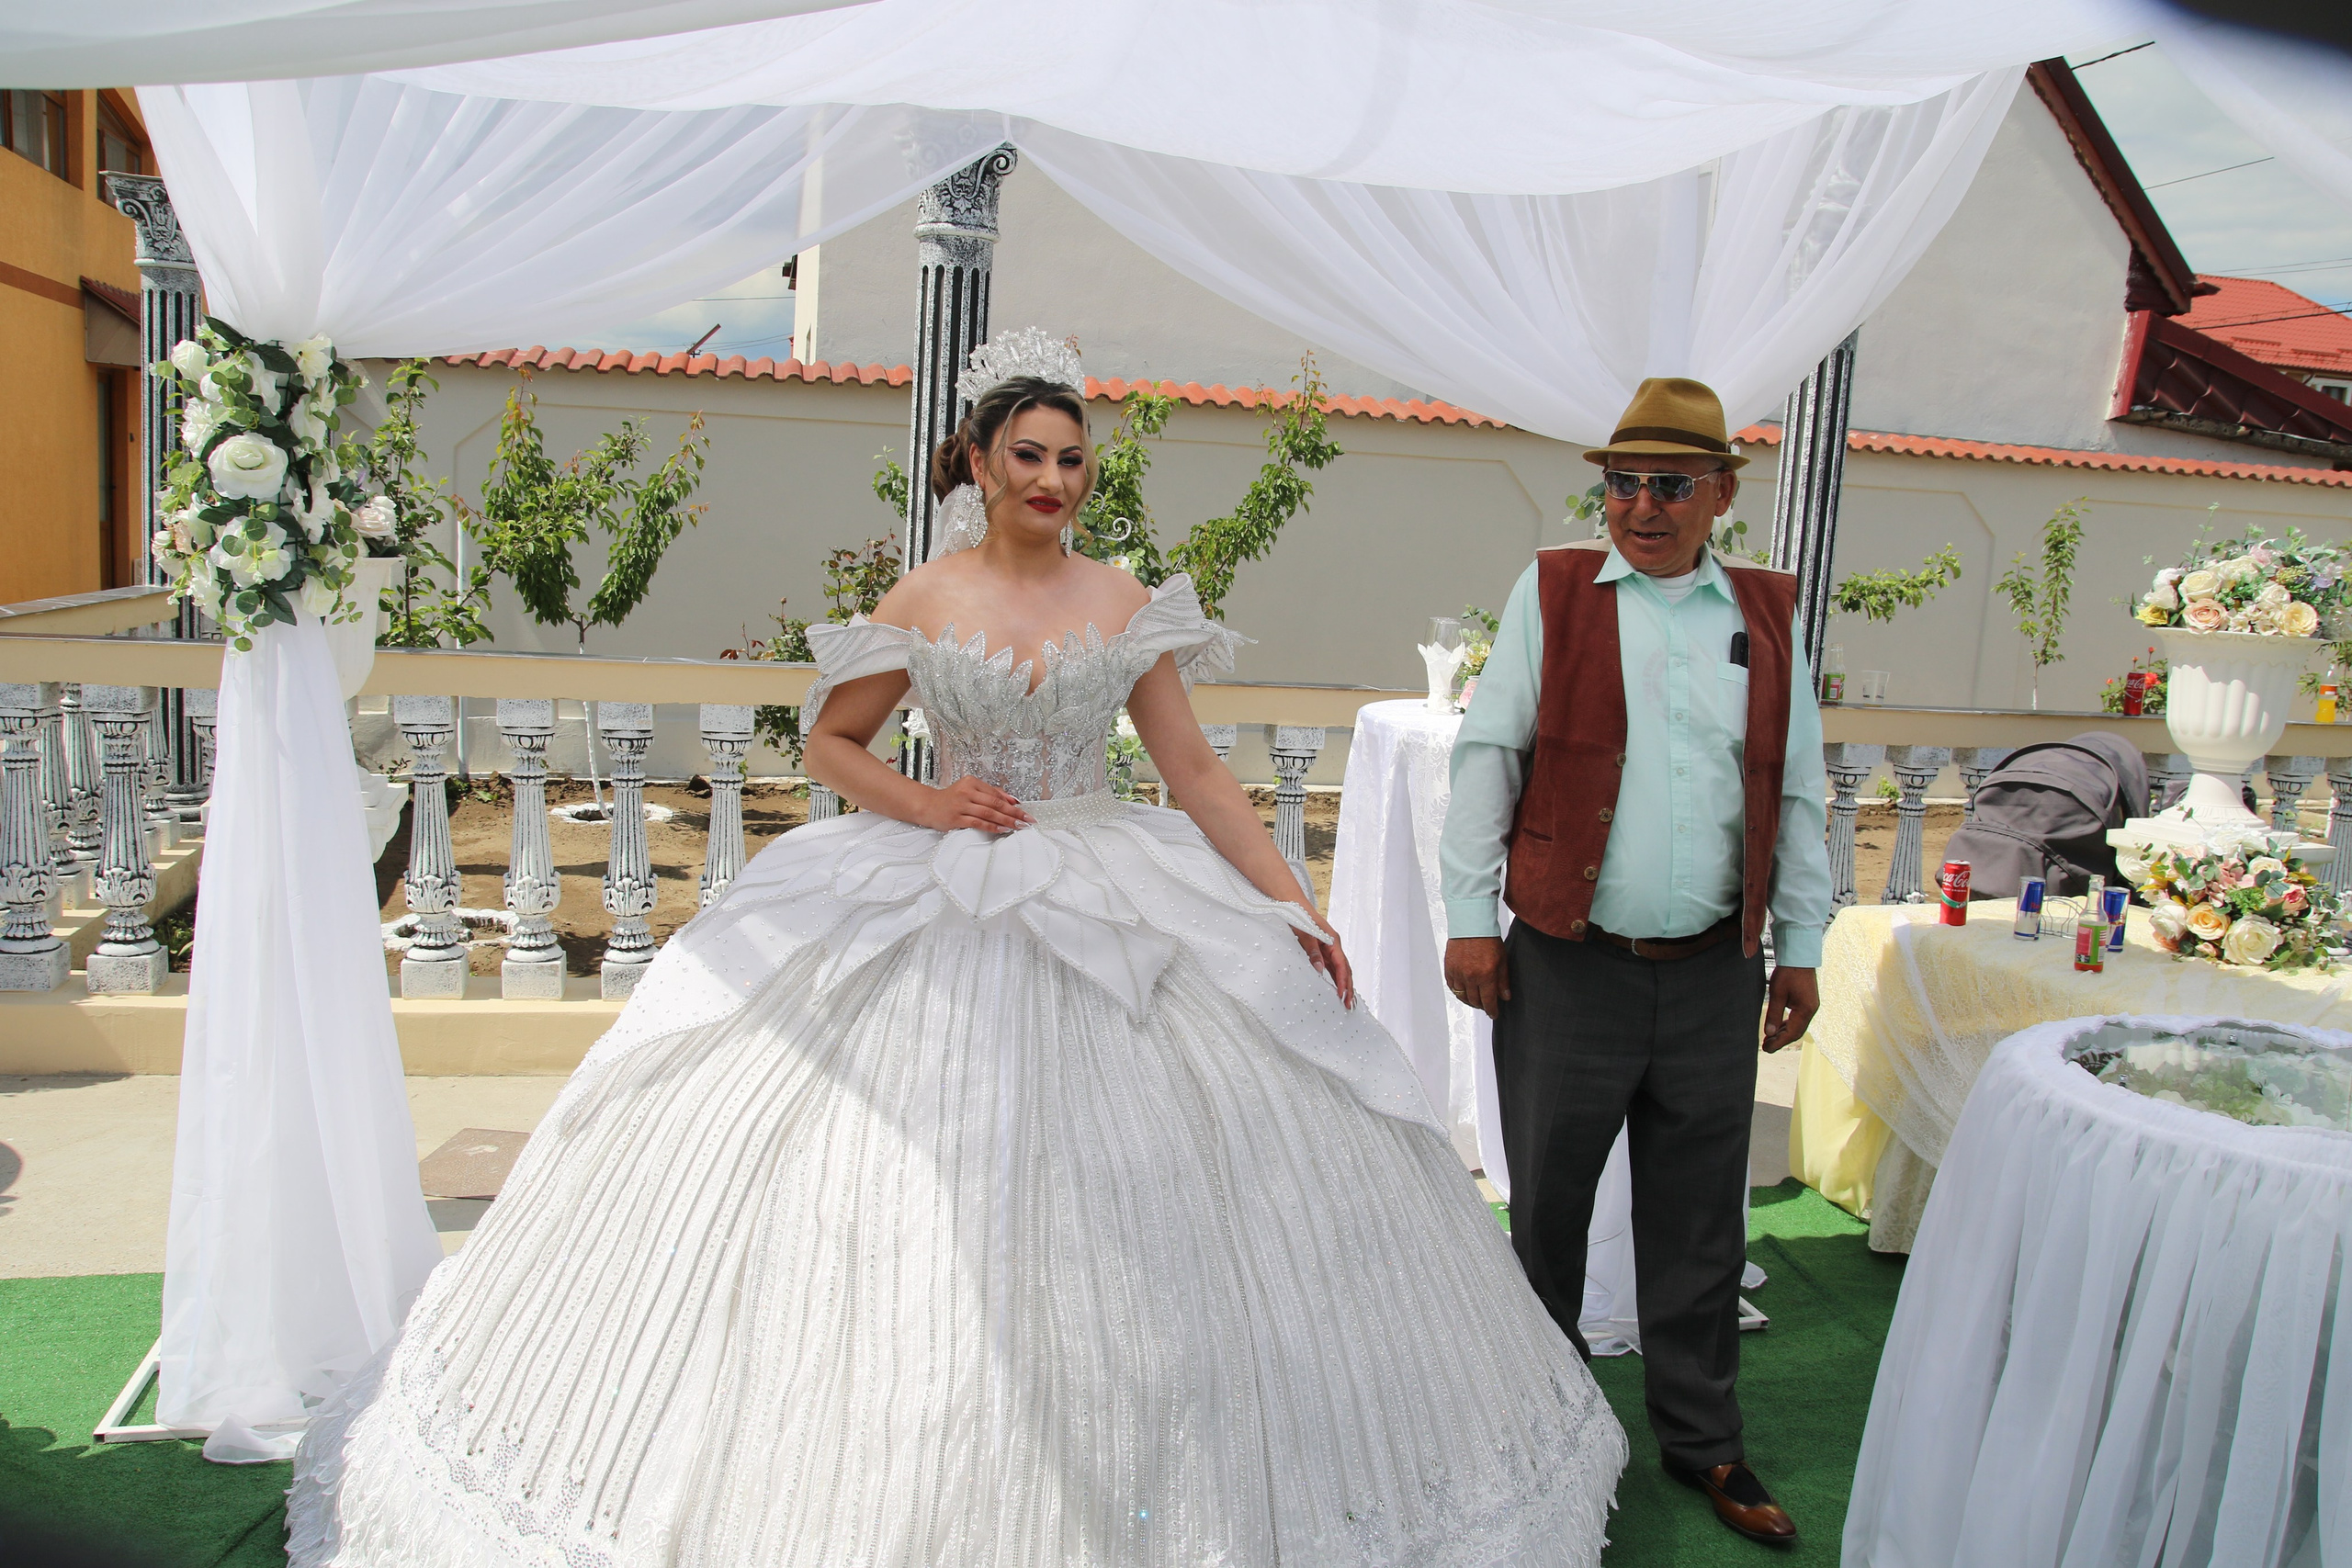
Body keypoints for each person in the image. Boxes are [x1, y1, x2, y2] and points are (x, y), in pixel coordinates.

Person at [288, 329, 1625, 1567]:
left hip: (1112, 876)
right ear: (979, 463)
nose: (1052, 477)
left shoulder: (1123, 597)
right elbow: (828, 741)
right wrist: (931, 800)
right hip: (940, 881)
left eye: (1073, 459)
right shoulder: (925, 592)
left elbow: (1200, 770)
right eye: (1028, 455)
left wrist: (1292, 902)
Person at [1440, 377, 1832, 1545]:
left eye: (1670, 484)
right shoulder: (1554, 590)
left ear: (1721, 493)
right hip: (1570, 962)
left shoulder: (1762, 615)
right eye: (1622, 482)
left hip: (1717, 970)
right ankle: (1541, 1440)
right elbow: (1489, 751)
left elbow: (1797, 789)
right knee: (1547, 1217)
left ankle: (1704, 1446)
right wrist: (1470, 913)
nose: (1642, 506)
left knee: (1701, 1221)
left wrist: (1799, 948)